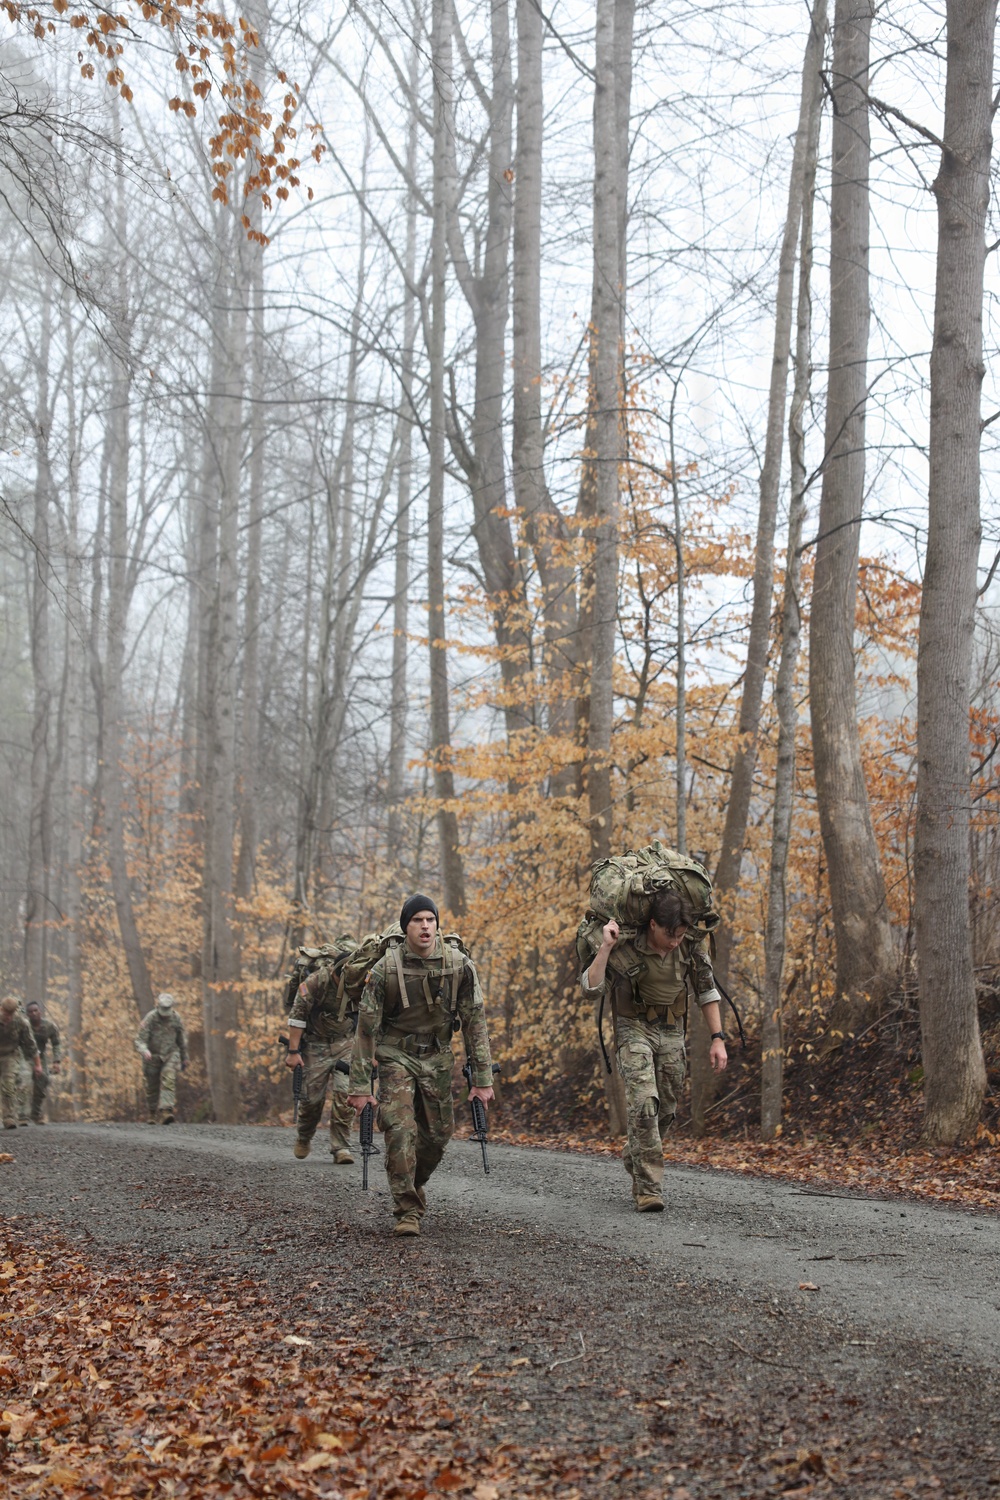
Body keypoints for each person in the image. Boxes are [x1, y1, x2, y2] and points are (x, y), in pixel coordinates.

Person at [347, 894, 495, 1237]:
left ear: (437, 924)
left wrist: (482, 1079)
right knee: (400, 1129)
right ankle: (407, 1211)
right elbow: (365, 1029)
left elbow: (475, 1023)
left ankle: (412, 1181)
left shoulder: (459, 965)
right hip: (395, 1055)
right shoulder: (385, 969)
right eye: (417, 920)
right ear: (406, 927)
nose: (425, 926)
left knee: (438, 1136)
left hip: (437, 1057)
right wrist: (359, 1087)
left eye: (430, 919)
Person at [581, 888, 728, 1213]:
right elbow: (591, 989)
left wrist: (717, 1038)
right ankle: (648, 1189)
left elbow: (706, 990)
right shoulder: (625, 945)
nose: (675, 941)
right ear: (652, 925)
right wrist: (606, 946)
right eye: (669, 934)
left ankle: (635, 1152)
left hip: (672, 1029)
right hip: (634, 1028)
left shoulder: (690, 945)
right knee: (646, 1103)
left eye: (680, 935)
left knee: (666, 1110)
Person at [285, 954, 357, 1164]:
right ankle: (304, 1136)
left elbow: (372, 1017)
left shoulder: (360, 984)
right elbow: (297, 1016)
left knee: (345, 1094)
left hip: (346, 1043)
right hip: (316, 1044)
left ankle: (341, 1147)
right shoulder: (316, 982)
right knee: (311, 1099)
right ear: (335, 973)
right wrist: (293, 1052)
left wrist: (371, 1052)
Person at [135, 993, 188, 1124]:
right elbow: (140, 1039)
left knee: (168, 1079)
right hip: (152, 1056)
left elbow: (181, 1040)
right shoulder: (150, 1018)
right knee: (151, 1085)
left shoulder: (176, 1018)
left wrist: (184, 1057)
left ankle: (166, 1111)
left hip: (170, 1054)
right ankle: (152, 1113)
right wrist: (144, 1050)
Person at [0, 998, 41, 1130]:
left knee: (8, 1085)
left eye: (11, 1014)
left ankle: (9, 1117)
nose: (8, 1016)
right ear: (1, 1009)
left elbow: (31, 1045)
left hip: (10, 1055)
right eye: (6, 1013)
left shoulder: (21, 1023)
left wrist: (38, 1065)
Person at [18, 1001, 61, 1125]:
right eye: (30, 1012)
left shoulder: (49, 1026)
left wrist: (56, 1061)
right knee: (23, 1083)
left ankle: (35, 1114)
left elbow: (56, 1043)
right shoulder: (24, 1025)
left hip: (41, 1058)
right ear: (27, 1014)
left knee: (42, 1082)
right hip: (25, 1057)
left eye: (35, 1011)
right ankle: (22, 1115)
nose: (33, 1013)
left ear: (40, 1011)